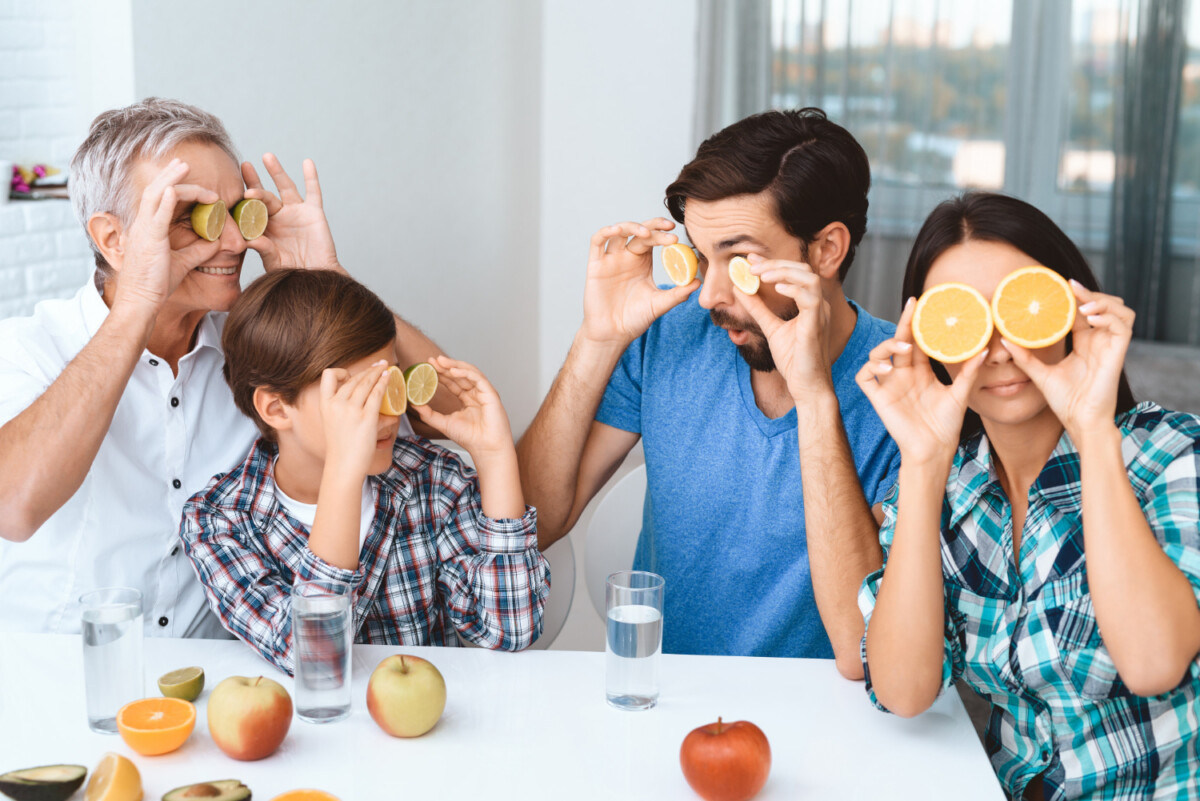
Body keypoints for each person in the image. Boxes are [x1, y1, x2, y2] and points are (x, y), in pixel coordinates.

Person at [0, 98, 443, 637]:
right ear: (114, 240)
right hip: (59, 676)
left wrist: (330, 277)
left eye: (237, 211)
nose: (235, 242)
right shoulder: (28, 349)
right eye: (192, 216)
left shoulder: (255, 350)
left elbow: (453, 415)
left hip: (214, 683)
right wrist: (138, 302)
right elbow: (14, 508)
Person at [518, 109, 900, 671]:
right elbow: (531, 522)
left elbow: (861, 645)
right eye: (701, 255)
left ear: (826, 250)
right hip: (667, 697)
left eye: (741, 258)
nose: (708, 294)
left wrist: (816, 396)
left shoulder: (903, 387)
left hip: (826, 713)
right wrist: (597, 340)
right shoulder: (669, 336)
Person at [856, 192, 1200, 800]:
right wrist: (924, 460)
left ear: (1071, 307)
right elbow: (903, 692)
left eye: (1019, 310)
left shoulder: (1170, 454)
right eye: (966, 321)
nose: (998, 350)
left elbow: (1154, 664)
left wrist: (1092, 427)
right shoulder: (949, 487)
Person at [180, 269, 549, 674]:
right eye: (356, 395)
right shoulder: (217, 521)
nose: (390, 412)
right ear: (276, 408)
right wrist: (344, 474)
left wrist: (495, 456)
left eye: (391, 384)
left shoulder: (433, 481)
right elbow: (316, 659)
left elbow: (511, 630)